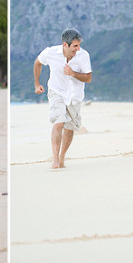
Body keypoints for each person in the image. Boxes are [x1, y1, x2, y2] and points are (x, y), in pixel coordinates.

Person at [33, 28, 92, 169]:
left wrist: (73, 73)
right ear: (65, 45)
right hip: (56, 91)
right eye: (75, 46)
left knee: (70, 128)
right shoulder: (51, 52)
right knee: (58, 122)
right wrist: (37, 84)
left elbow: (88, 78)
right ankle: (55, 160)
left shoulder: (83, 55)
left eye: (79, 45)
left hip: (75, 96)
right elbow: (37, 63)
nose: (78, 49)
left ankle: (62, 157)